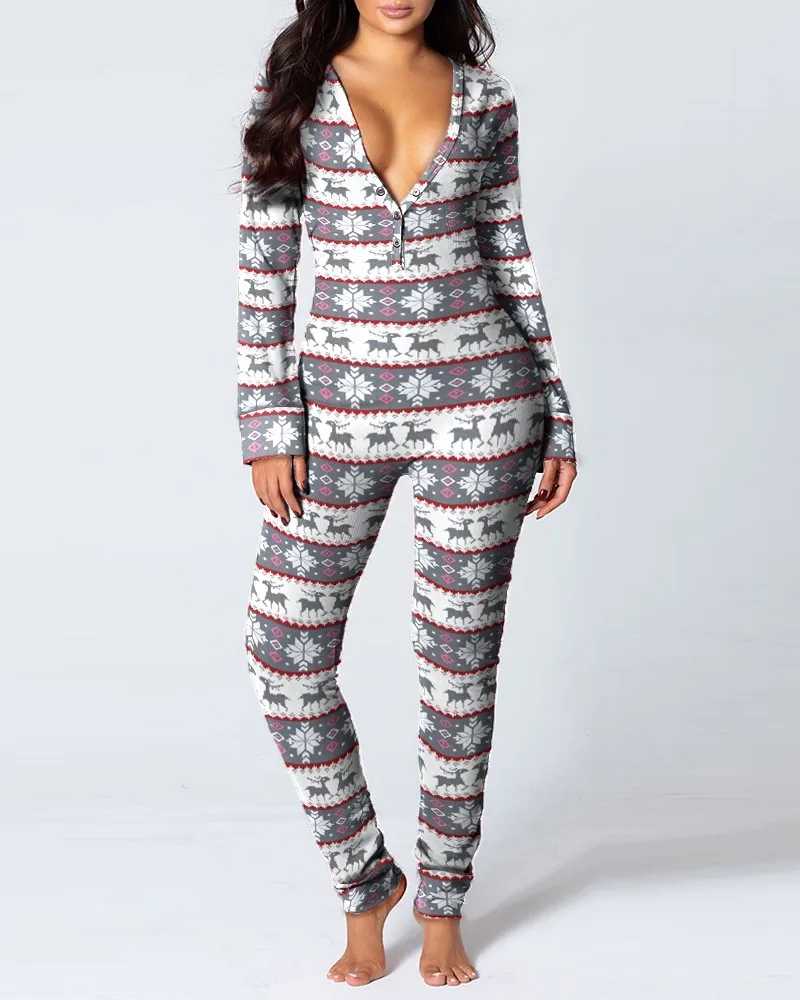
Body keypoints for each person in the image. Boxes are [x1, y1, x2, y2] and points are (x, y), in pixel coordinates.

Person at [235, 0, 577, 986]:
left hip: (485, 405)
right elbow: (264, 264)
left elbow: (510, 255)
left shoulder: (485, 99)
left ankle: (442, 906)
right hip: (335, 421)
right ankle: (364, 881)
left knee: (457, 668)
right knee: (283, 652)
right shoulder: (294, 91)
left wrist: (555, 412)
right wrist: (268, 421)